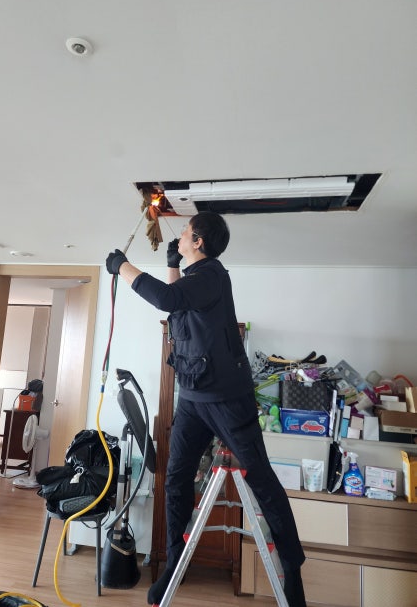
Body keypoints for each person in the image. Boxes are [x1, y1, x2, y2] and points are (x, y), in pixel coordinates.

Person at [106, 211, 306, 607]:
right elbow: (177, 307)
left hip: (228, 400)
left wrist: (121, 266)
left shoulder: (213, 275)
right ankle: (173, 564)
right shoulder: (194, 280)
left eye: (185, 232)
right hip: (193, 398)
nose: (179, 235)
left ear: (198, 242)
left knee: (261, 479)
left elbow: (167, 298)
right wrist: (171, 264)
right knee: (176, 479)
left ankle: (293, 568)